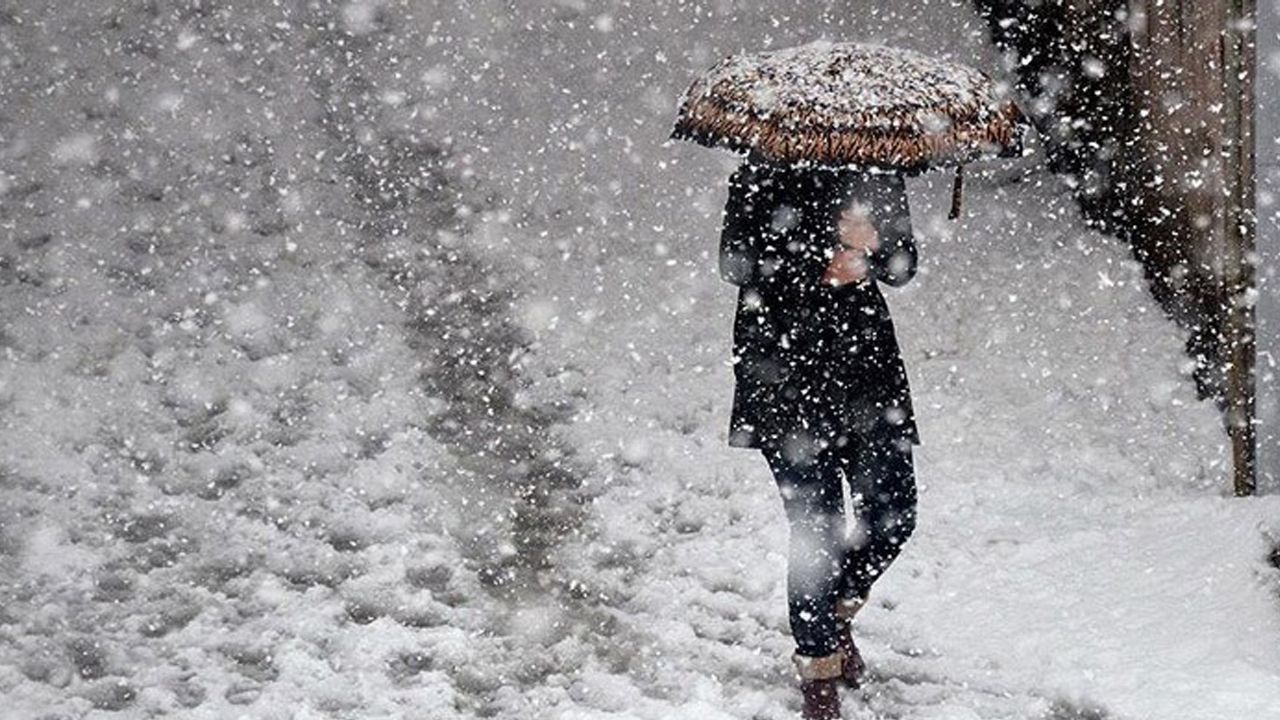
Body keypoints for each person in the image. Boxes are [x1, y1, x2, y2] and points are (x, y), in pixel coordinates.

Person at [718, 156, 920, 720]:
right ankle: (818, 670)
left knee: (894, 511)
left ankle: (831, 614)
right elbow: (735, 263)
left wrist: (872, 250)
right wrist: (822, 253)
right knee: (817, 528)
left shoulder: (877, 171)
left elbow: (903, 266)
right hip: (783, 371)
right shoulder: (760, 173)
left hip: (866, 374)